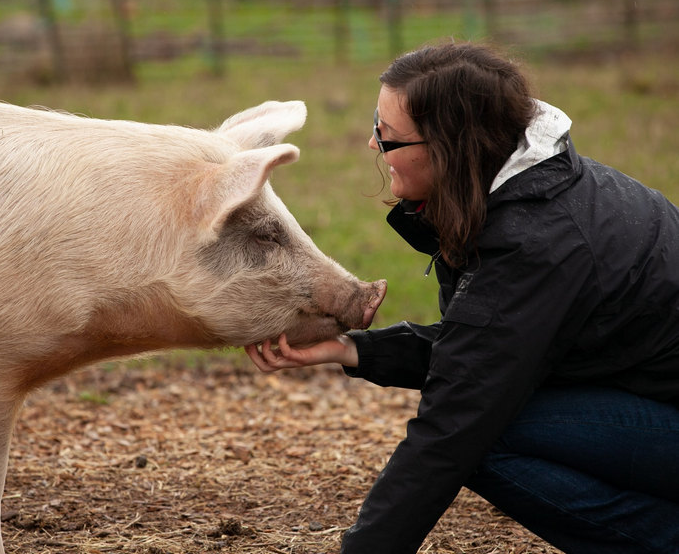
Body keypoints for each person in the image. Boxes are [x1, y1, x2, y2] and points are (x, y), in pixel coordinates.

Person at [245, 42, 679, 554]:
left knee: (484, 437)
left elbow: (458, 417)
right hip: (652, 400)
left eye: (387, 136)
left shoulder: (536, 241)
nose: (370, 144)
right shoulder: (529, 187)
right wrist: (354, 350)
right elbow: (495, 345)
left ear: (450, 147)